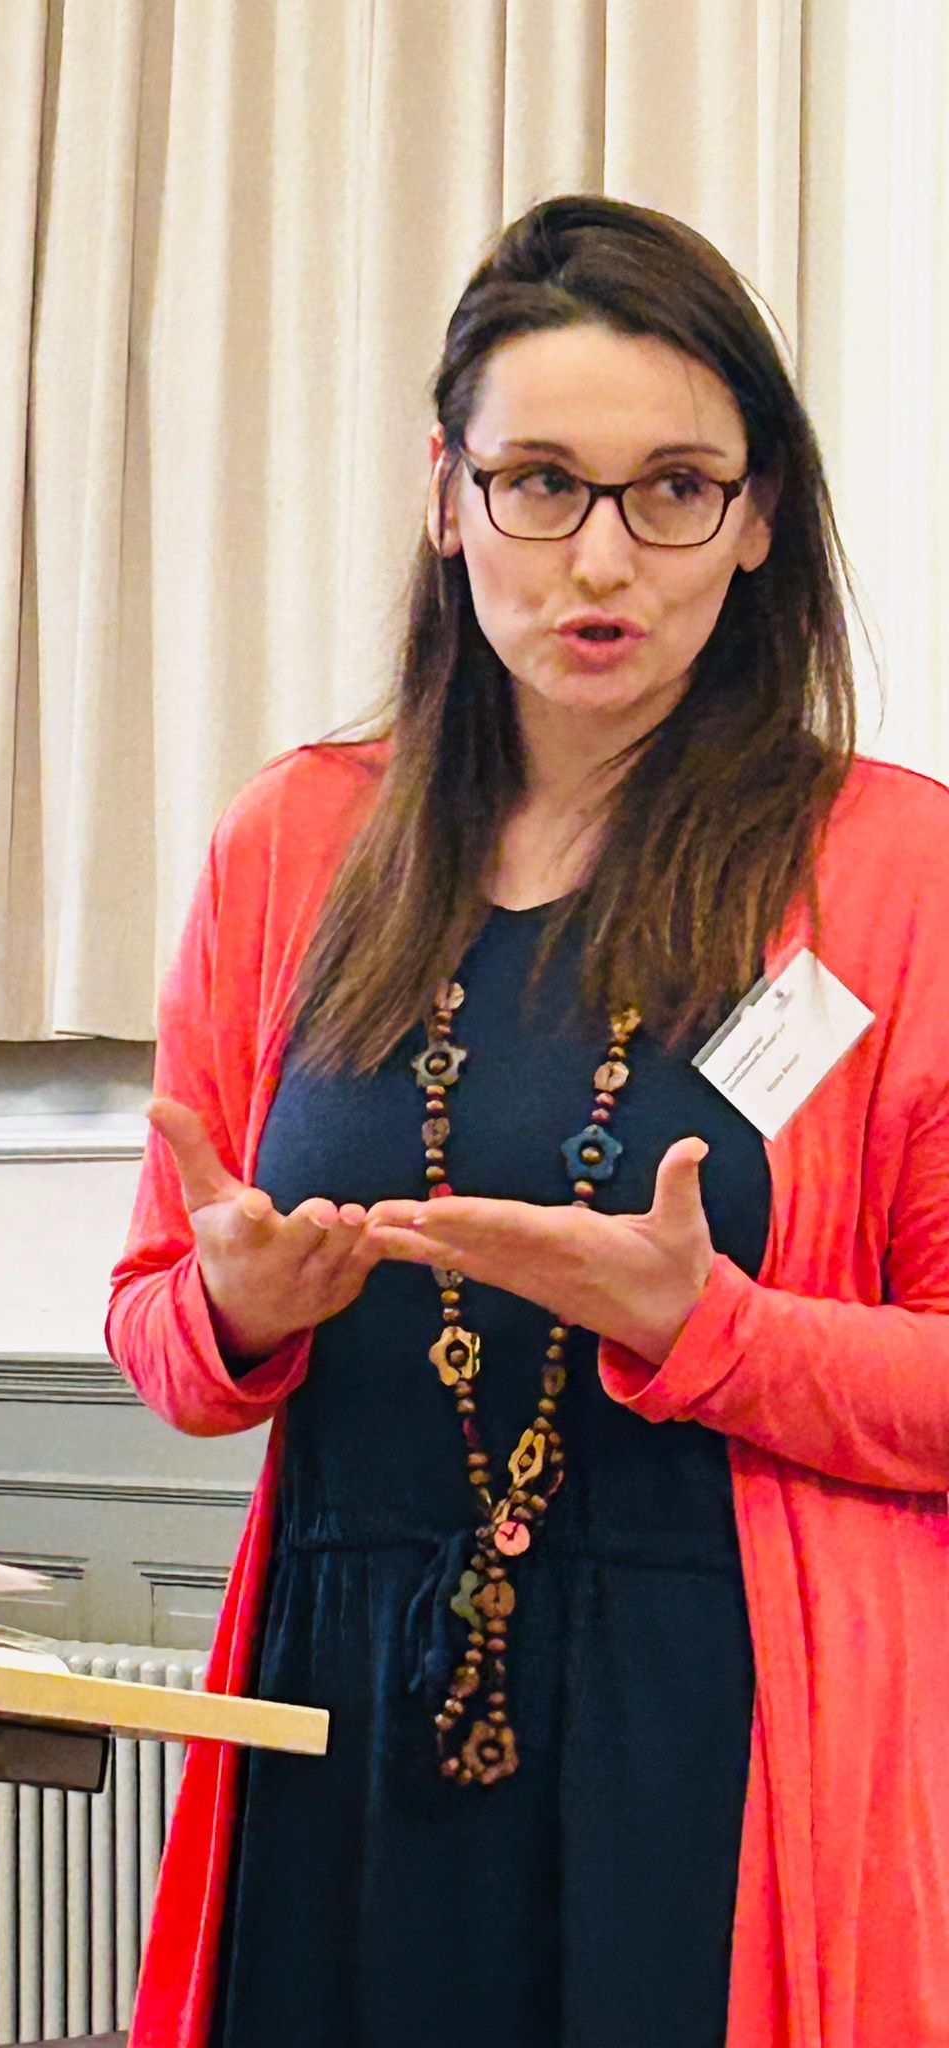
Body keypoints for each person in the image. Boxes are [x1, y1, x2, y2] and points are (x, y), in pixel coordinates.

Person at [105, 194, 949, 2048]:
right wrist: (235, 1310)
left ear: (761, 519)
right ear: (448, 496)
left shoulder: (896, 869)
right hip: (342, 1681)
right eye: (543, 484)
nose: (603, 558)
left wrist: (711, 1331)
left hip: (718, 1707)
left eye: (677, 490)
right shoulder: (295, 842)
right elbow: (154, 1322)